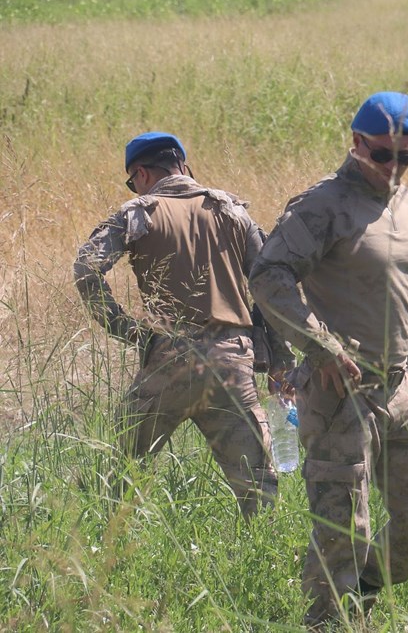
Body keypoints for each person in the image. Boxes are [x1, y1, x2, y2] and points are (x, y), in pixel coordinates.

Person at [248, 92, 408, 628]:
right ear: (357, 143)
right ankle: (329, 620)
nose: (393, 167)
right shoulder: (323, 206)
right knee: (344, 535)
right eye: (382, 155)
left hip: (401, 390)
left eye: (405, 157)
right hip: (339, 395)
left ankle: (362, 595)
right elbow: (268, 277)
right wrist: (322, 346)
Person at [73, 132, 291, 518]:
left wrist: (129, 330)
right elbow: (270, 283)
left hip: (169, 357)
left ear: (141, 173)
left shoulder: (138, 212)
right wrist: (279, 359)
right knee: (258, 485)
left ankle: (107, 553)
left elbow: (86, 268)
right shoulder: (232, 211)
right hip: (232, 361)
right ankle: (263, 557)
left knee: (122, 474)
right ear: (183, 167)